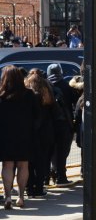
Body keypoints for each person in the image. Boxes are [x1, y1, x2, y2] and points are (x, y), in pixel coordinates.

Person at [0, 66, 39, 209]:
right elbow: (37, 116)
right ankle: (21, 196)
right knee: (23, 165)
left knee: (7, 165)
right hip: (25, 134)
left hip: (5, 135)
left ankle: (8, 196)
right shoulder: (30, 95)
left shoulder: (1, 95)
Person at [24, 69, 55, 198]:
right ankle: (39, 188)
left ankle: (29, 187)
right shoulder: (47, 92)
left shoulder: (27, 95)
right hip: (45, 131)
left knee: (29, 163)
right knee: (41, 161)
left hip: (29, 132)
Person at [47, 63, 78, 186]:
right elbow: (75, 103)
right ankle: (61, 177)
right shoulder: (67, 86)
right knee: (62, 152)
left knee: (48, 151)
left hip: (48, 123)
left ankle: (46, 177)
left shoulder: (45, 85)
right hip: (65, 123)